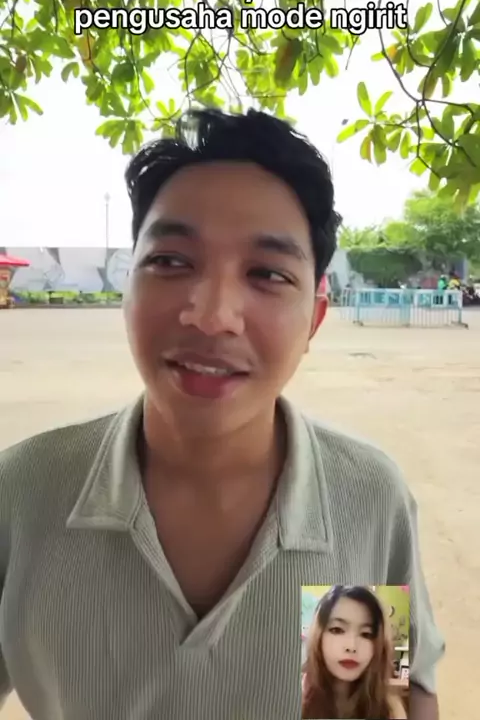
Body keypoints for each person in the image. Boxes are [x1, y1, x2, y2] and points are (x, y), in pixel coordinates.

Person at [0, 108, 444, 720]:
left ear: (314, 319)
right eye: (171, 261)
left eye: (267, 273)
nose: (211, 316)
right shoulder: (22, 492)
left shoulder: (368, 496)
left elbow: (399, 692)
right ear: (129, 287)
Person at [302, 586, 407, 719]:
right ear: (319, 636)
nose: (351, 647)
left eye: (366, 634)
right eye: (337, 630)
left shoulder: (390, 709)